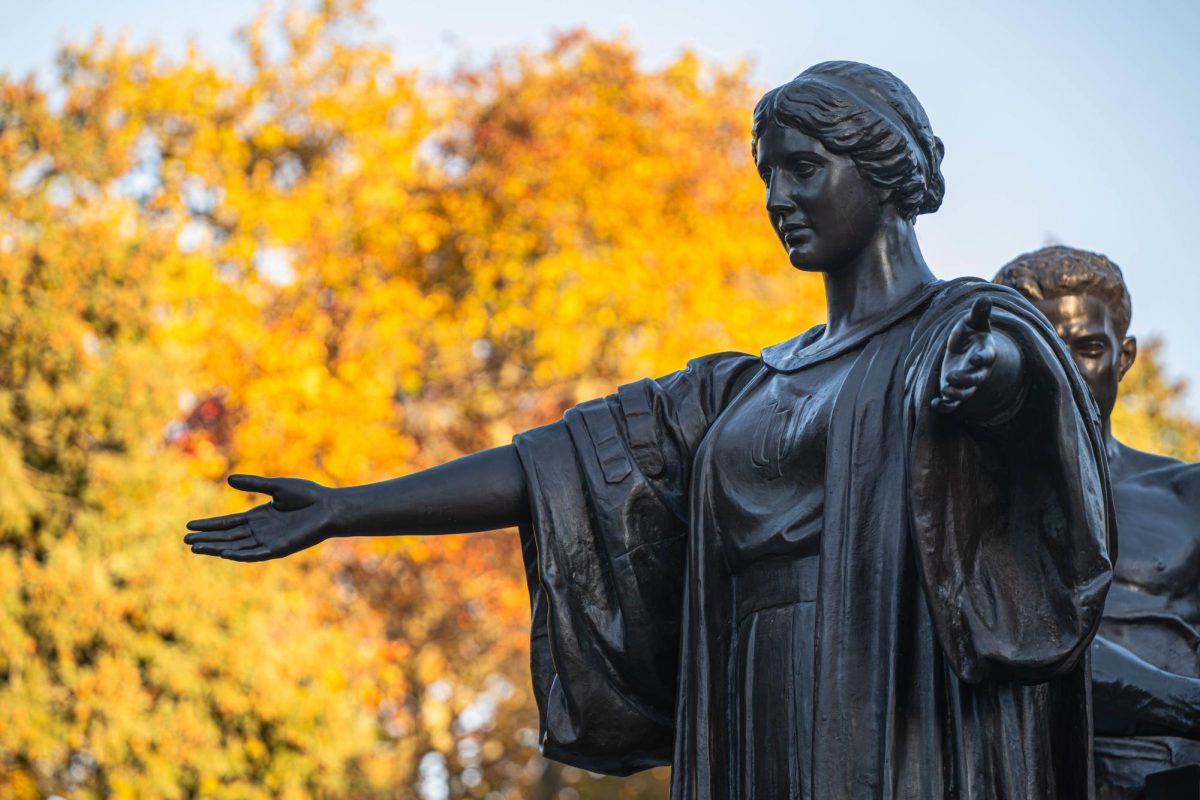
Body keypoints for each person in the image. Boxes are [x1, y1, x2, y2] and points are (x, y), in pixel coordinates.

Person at [185, 62, 1115, 799]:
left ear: (885, 171)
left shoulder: (962, 328)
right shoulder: (741, 387)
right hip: (752, 693)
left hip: (894, 701)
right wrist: (347, 510)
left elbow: (1026, 402)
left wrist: (987, 384)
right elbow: (553, 471)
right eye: (767, 174)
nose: (777, 197)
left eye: (804, 168)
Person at [995, 246, 1200, 799]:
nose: (1064, 371)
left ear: (1124, 356)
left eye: (1087, 349)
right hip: (1036, 770)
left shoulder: (1188, 492)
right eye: (1041, 349)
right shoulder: (974, 504)